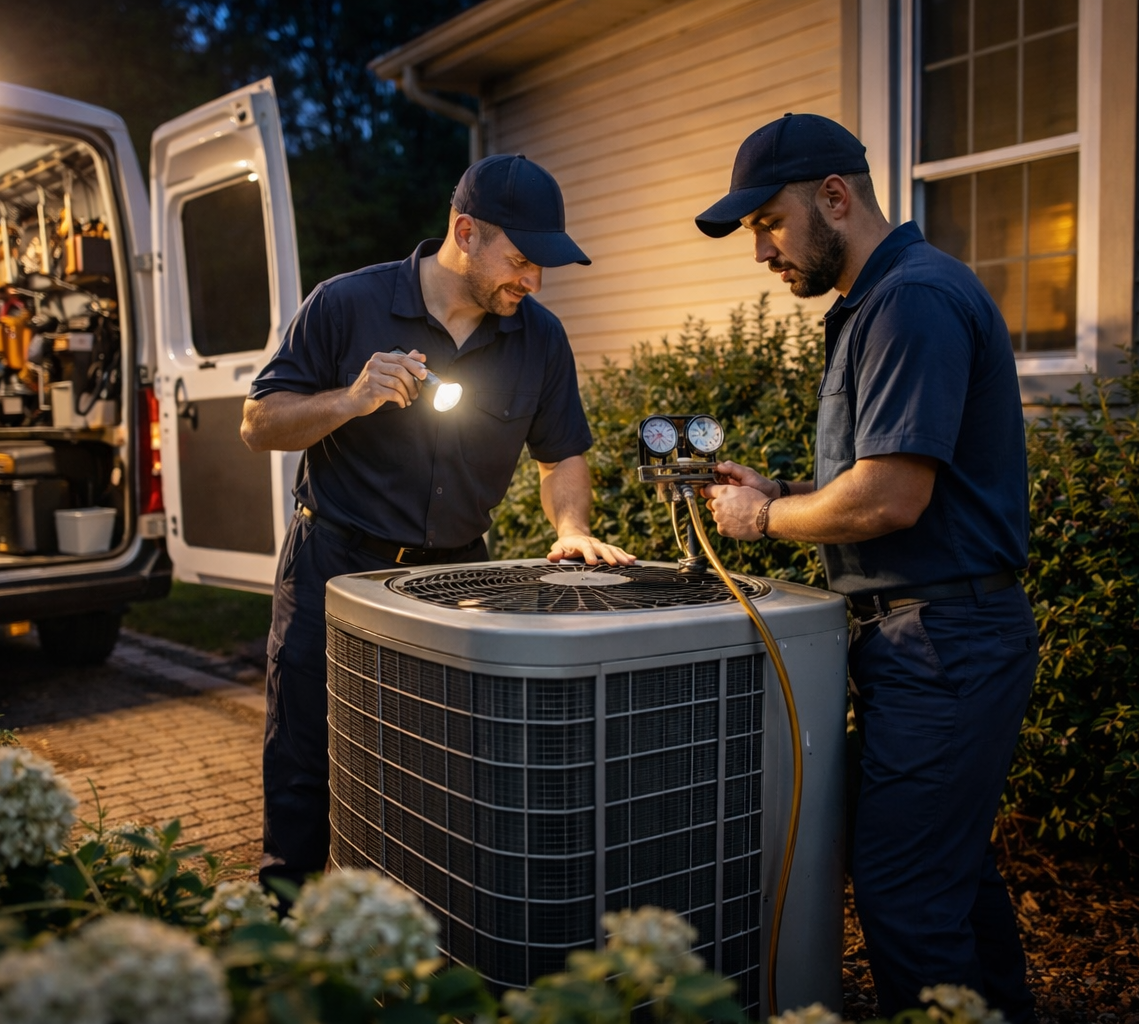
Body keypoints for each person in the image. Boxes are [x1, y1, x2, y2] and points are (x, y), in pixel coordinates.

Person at [692, 113, 1039, 1022]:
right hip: (936, 638)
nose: (760, 251)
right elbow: (883, 481)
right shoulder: (883, 300)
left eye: (767, 222)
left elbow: (890, 498)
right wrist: (791, 488)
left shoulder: (910, 301)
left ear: (835, 197)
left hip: (944, 646)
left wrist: (763, 516)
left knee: (904, 896)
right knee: (950, 879)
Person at [241, 153, 636, 894]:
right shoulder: (344, 304)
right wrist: (348, 400)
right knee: (306, 755)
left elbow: (562, 458)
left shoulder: (540, 338)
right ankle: (285, 928)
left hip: (455, 578)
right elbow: (259, 423)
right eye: (522, 261)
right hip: (334, 565)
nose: (534, 282)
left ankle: (423, 934)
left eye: (543, 267)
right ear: (466, 232)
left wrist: (573, 526)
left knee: (446, 763)